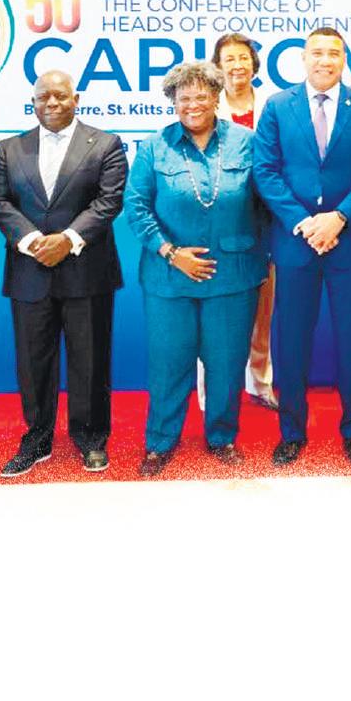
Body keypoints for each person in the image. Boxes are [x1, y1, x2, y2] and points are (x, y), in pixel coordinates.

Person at [252, 27, 351, 466]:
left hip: (350, 243)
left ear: (344, 59)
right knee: (291, 341)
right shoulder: (278, 106)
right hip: (296, 244)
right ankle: (292, 431)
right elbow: (265, 170)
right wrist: (303, 222)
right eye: (317, 53)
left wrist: (340, 217)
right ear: (304, 58)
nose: (325, 60)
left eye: (334, 53)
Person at [124, 61, 270, 477]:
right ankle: (160, 442)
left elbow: (267, 201)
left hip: (233, 277)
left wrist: (256, 249)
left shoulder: (247, 142)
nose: (192, 104)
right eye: (183, 97)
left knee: (226, 364)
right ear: (173, 102)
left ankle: (222, 437)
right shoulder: (154, 147)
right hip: (169, 278)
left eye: (201, 95)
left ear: (216, 97)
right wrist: (171, 253)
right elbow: (136, 206)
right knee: (169, 363)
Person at [0, 70, 126, 476]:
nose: (51, 103)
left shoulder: (105, 144)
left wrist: (67, 240)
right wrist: (33, 241)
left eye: (60, 96)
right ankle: (36, 439)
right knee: (33, 364)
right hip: (30, 270)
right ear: (33, 102)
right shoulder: (10, 148)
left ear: (75, 99)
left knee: (90, 360)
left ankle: (91, 439)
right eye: (43, 96)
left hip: (87, 270)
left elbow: (108, 201)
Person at [213, 31, 279, 411]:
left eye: (243, 58)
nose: (237, 65)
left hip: (267, 219)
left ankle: (260, 383)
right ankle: (213, 391)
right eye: (229, 59)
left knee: (263, 309)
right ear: (217, 67)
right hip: (219, 219)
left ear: (253, 64)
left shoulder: (274, 104)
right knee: (215, 312)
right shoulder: (206, 103)